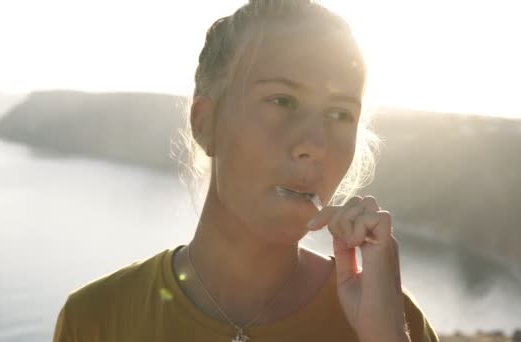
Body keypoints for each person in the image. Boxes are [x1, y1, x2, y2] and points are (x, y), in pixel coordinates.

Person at [53, 1, 439, 341]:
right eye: (282, 101)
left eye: (340, 114)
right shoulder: (95, 320)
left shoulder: (391, 318)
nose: (315, 145)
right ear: (206, 124)